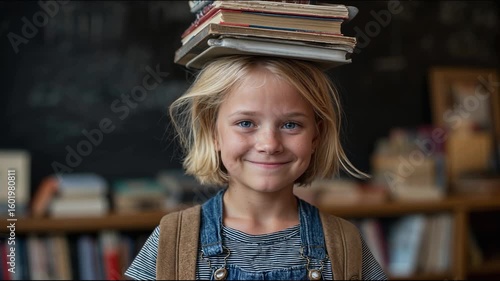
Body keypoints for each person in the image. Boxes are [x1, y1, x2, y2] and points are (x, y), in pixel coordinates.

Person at [124, 55, 388, 280]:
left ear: (315, 137)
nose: (269, 144)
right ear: (213, 132)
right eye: (246, 123)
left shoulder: (343, 243)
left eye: (290, 125)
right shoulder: (174, 240)